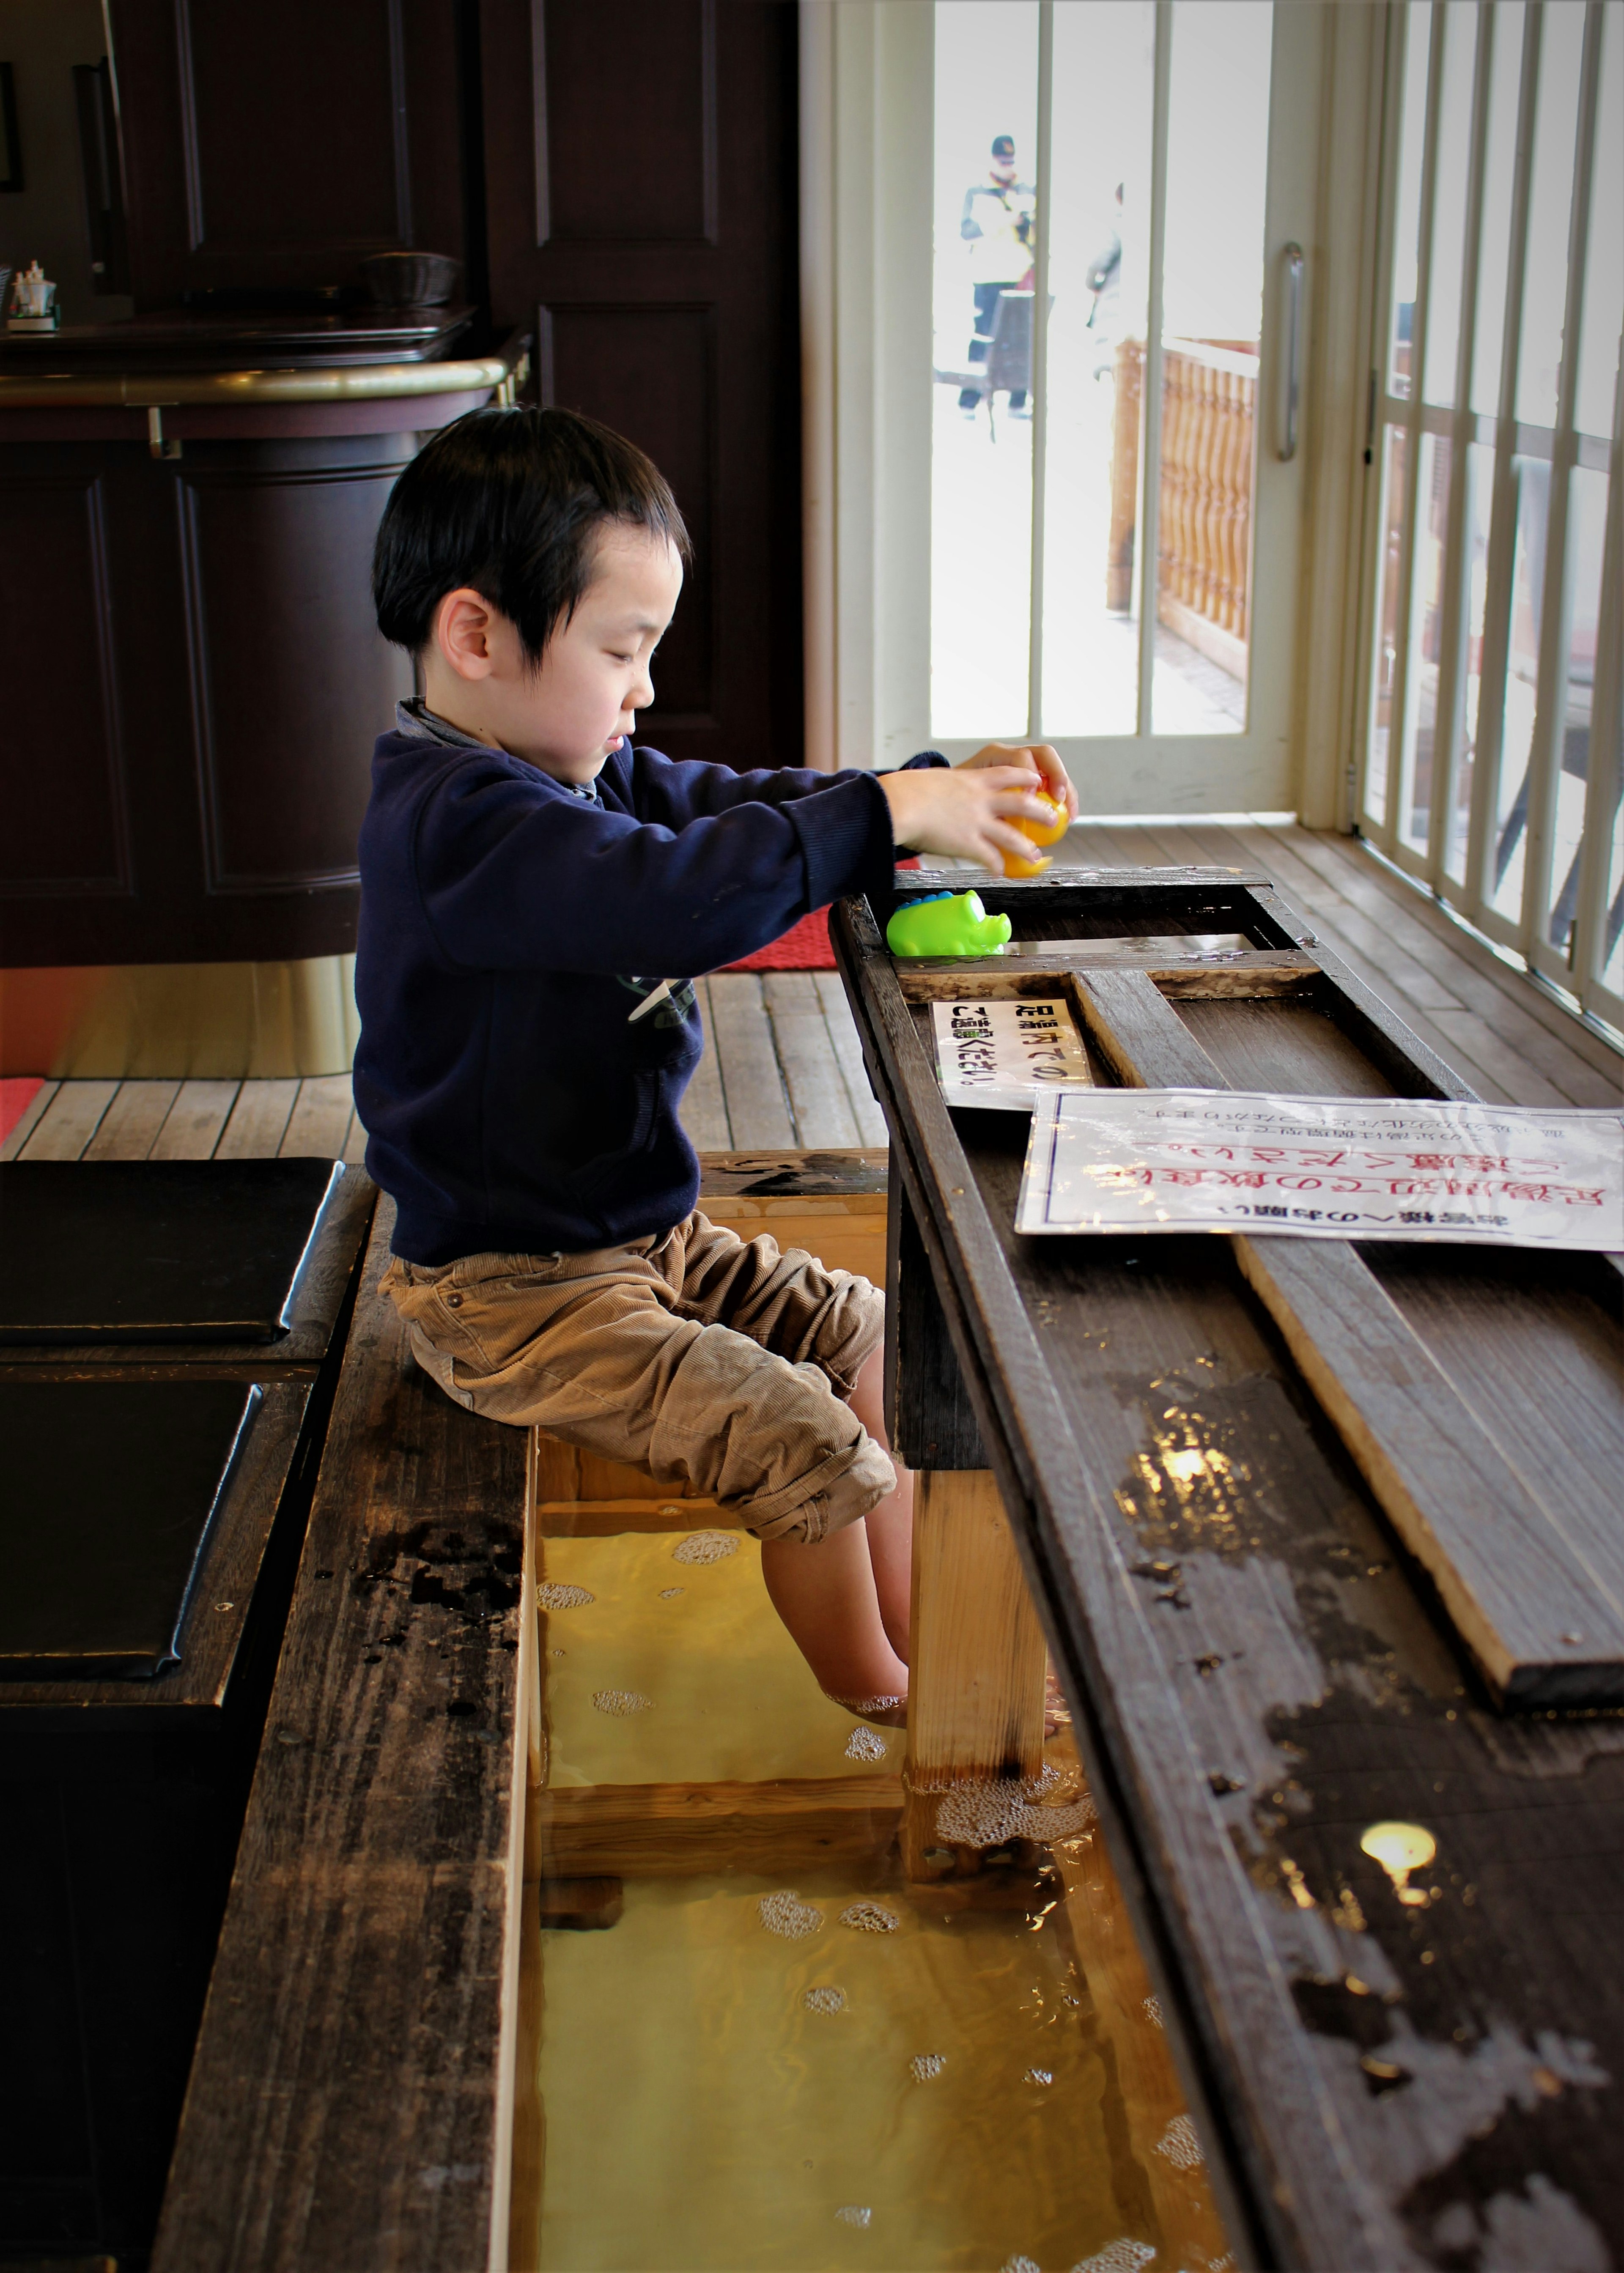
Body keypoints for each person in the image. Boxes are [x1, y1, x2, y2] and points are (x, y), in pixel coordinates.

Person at [356, 405, 1075, 1720]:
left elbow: (727, 806)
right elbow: (676, 897)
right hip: (509, 1290)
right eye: (621, 649)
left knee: (874, 1342)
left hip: (644, 1236)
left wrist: (906, 789)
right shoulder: (455, 821)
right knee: (801, 1442)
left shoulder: (577, 768)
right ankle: (881, 1697)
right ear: (475, 635)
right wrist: (884, 815)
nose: (640, 690)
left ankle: (937, 1643)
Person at [959, 134, 1037, 417]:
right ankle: (970, 400)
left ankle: (1017, 401)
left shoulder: (1028, 190)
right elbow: (967, 232)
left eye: (1011, 161)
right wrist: (1005, 219)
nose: (1008, 166)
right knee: (983, 337)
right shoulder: (977, 192)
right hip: (988, 276)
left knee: (1022, 341)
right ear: (993, 160)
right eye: (1003, 161)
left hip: (1020, 276)